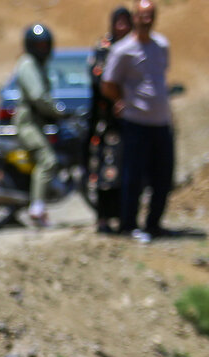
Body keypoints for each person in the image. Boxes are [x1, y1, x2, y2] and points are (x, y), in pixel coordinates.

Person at [102, 0, 174, 243]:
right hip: (136, 122)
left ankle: (154, 224)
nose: (147, 20)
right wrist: (122, 101)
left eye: (151, 15)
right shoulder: (123, 50)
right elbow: (109, 83)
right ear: (135, 17)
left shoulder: (162, 46)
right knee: (133, 176)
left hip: (161, 121)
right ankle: (129, 224)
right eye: (143, 15)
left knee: (163, 176)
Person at [14, 23, 69, 227]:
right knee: (47, 160)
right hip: (28, 124)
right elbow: (38, 96)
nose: (43, 49)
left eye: (46, 45)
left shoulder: (39, 66)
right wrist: (58, 111)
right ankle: (37, 208)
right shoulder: (28, 64)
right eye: (39, 45)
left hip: (37, 124)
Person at [87, 7, 134, 234]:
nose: (123, 27)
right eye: (119, 22)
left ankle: (125, 219)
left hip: (133, 121)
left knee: (129, 172)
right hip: (107, 123)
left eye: (127, 22)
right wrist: (117, 96)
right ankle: (103, 219)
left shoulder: (136, 48)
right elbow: (99, 79)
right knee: (106, 172)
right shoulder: (104, 48)